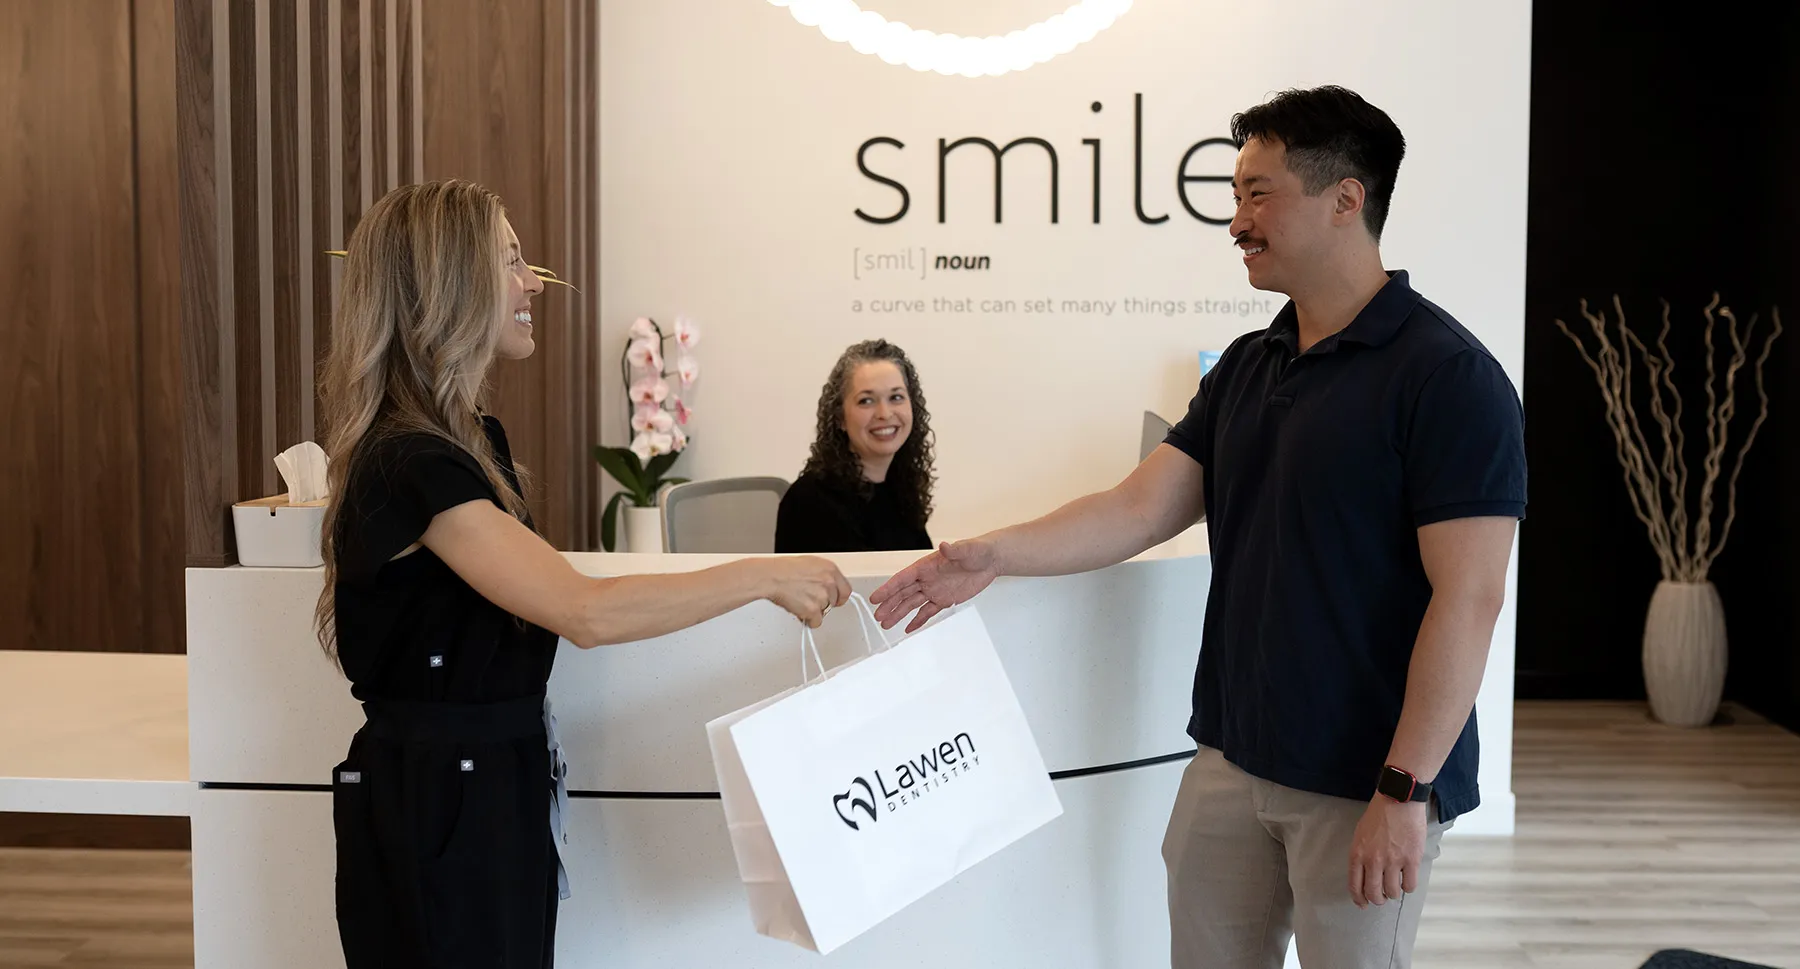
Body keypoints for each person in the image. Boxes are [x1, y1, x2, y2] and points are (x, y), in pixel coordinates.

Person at [872, 86, 1526, 969]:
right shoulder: (1250, 366)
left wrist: (1405, 788)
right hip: (1231, 763)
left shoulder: (1450, 378)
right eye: (1235, 195)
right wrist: (990, 554)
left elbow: (1470, 598)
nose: (1236, 221)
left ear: (1345, 198)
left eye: (1259, 194)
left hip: (1364, 782)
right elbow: (1135, 508)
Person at [314, 180, 850, 969]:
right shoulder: (411, 462)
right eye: (510, 260)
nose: (533, 282)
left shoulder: (470, 444)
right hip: (439, 803)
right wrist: (763, 576)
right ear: (451, 285)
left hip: (488, 787)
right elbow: (584, 611)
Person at [774, 339, 936, 554]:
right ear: (840, 417)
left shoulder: (901, 490)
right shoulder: (812, 500)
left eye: (896, 397)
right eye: (866, 401)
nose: (884, 413)